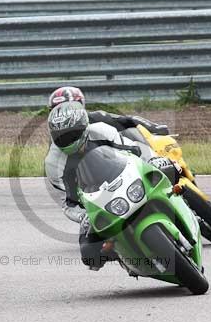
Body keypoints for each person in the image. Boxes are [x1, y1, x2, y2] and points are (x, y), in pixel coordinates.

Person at [47, 101, 181, 271]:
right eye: (61, 137)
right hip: (94, 201)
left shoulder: (101, 130)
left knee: (170, 170)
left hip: (124, 176)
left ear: (84, 126)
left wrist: (153, 161)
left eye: (72, 134)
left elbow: (134, 150)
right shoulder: (53, 164)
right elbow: (68, 204)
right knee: (89, 254)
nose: (67, 140)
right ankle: (122, 255)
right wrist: (84, 216)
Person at [44, 86, 168, 199]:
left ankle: (154, 159)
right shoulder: (58, 141)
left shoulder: (97, 119)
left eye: (69, 106)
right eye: (57, 108)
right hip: (89, 184)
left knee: (129, 131)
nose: (64, 112)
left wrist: (154, 128)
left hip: (114, 159)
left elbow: (127, 120)